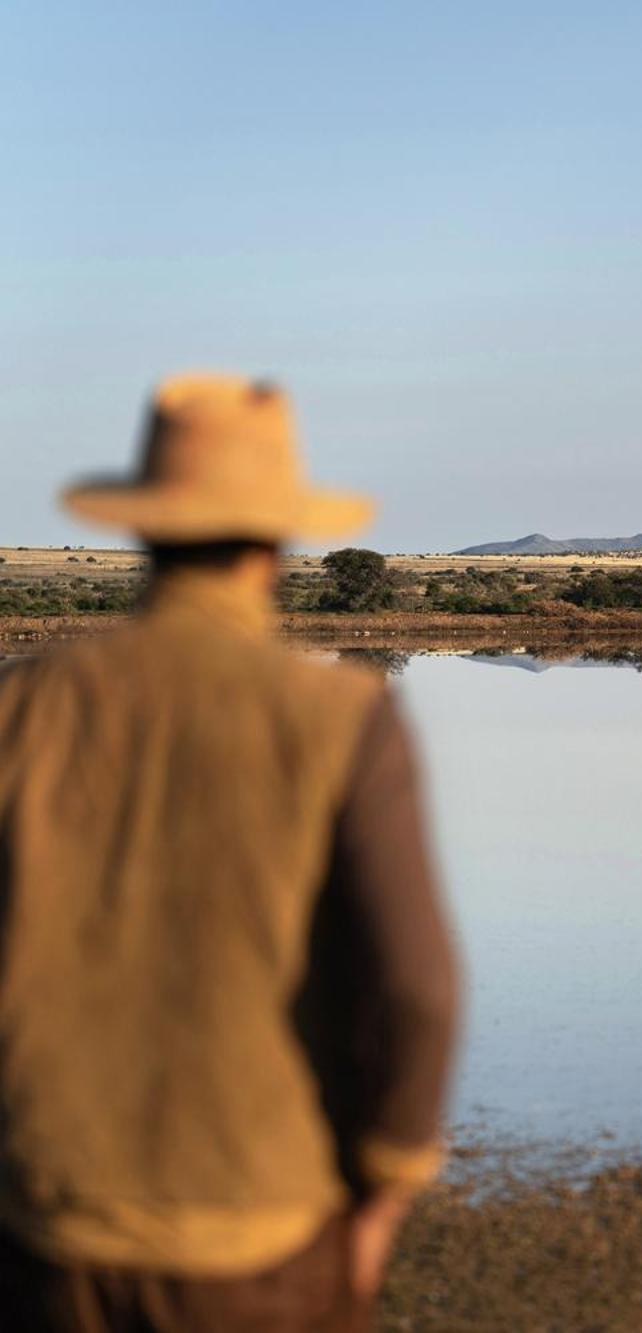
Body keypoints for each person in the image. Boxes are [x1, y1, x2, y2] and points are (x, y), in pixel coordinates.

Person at [0, 374, 461, 1331]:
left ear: (146, 529)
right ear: (275, 541)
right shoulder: (341, 716)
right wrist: (384, 1184)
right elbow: (418, 988)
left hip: (47, 1231)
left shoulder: (21, 709)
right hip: (266, 1238)